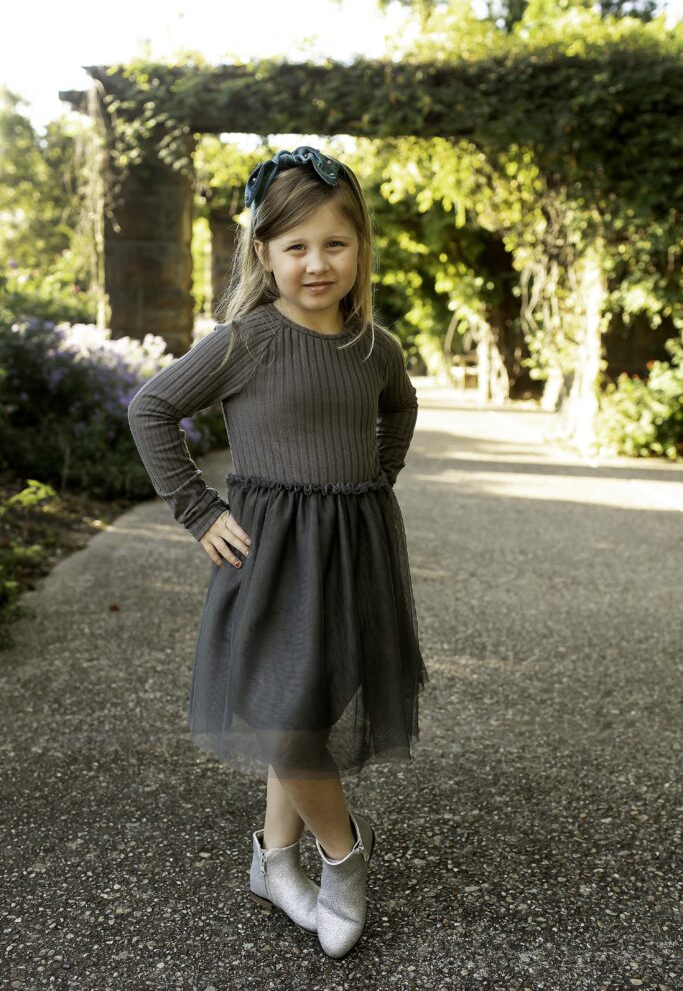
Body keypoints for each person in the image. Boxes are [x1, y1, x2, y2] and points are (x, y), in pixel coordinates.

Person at [127, 145, 429, 959]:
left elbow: (398, 409)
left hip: (354, 550)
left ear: (359, 246)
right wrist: (196, 509)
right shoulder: (246, 341)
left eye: (334, 243)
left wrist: (377, 474)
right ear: (261, 252)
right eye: (294, 247)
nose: (316, 263)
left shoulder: (375, 347)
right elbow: (152, 409)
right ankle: (344, 858)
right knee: (280, 721)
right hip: (270, 556)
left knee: (312, 706)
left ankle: (272, 860)